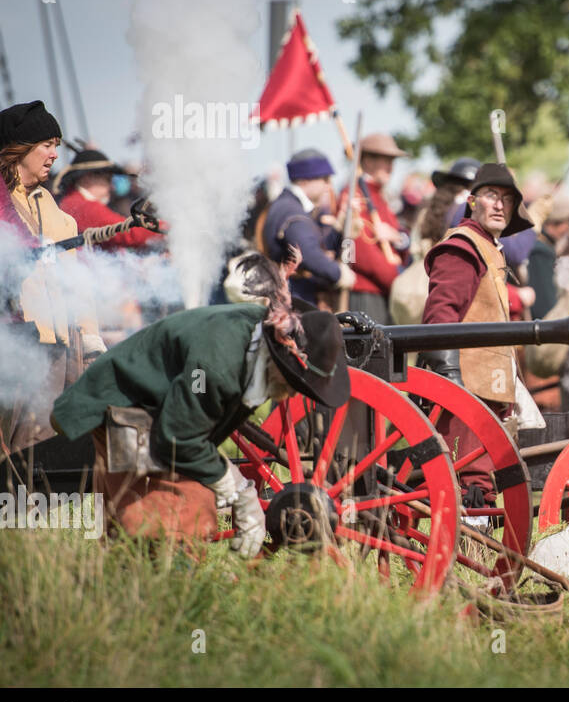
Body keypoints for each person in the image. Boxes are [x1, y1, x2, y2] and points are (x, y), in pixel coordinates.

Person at [50, 266, 351, 554]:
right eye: (298, 381)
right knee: (186, 519)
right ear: (282, 359)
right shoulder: (210, 370)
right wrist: (240, 491)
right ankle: (163, 589)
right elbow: (179, 436)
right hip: (129, 409)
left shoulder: (261, 337)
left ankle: (139, 589)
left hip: (161, 415)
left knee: (152, 528)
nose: (297, 390)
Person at [420, 163, 534, 511]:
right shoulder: (462, 246)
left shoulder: (489, 248)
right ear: (472, 201)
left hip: (487, 384)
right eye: (491, 196)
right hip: (465, 386)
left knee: (483, 482)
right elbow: (440, 319)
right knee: (472, 484)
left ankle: (477, 550)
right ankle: (470, 554)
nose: (500, 205)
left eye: (507, 199)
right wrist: (451, 386)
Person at [0, 100, 106, 456]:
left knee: (40, 450)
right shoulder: (3, 202)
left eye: (57, 146)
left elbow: (77, 284)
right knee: (10, 446)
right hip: (16, 339)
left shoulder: (56, 211)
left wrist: (90, 337)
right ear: (20, 149)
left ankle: (27, 510)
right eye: (46, 145)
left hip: (60, 342)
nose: (54, 155)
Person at [261, 148, 355, 307]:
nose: (329, 186)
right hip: (296, 299)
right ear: (304, 181)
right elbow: (308, 253)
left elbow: (315, 246)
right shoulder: (291, 210)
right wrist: (338, 273)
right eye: (324, 179)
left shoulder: (288, 206)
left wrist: (339, 231)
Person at [338, 133, 411, 325]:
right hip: (366, 295)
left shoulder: (379, 197)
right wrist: (398, 281)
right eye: (385, 160)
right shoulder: (354, 196)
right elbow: (362, 256)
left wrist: (397, 238)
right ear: (367, 160)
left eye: (392, 160)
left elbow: (400, 236)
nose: (391, 167)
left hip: (383, 292)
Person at [54, 149, 164, 252]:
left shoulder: (73, 201)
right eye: (107, 180)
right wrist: (169, 227)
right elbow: (129, 233)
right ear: (87, 178)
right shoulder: (82, 206)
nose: (112, 187)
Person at [527, 191, 569, 319]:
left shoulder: (541, 246)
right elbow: (545, 309)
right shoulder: (541, 252)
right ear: (554, 222)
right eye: (568, 223)